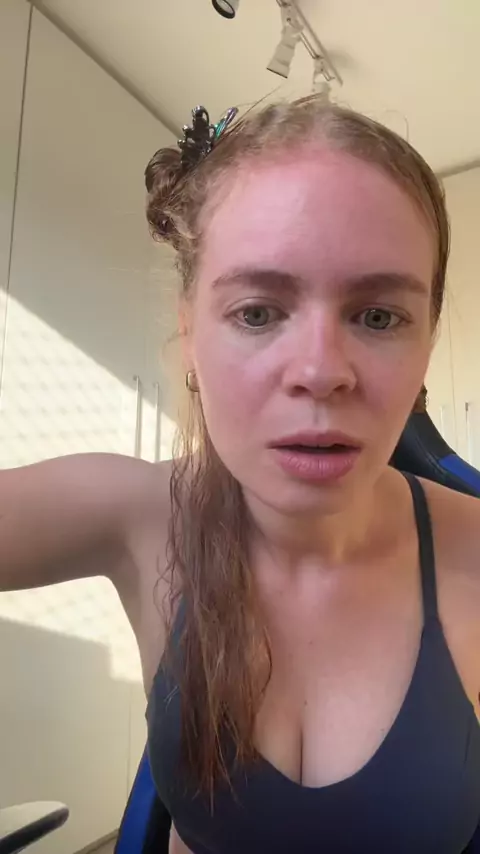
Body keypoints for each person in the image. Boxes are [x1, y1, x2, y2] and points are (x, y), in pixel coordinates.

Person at [1, 95, 479, 853]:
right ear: (190, 329)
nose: (320, 371)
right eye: (257, 312)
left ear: (428, 341)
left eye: (379, 316)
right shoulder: (140, 516)